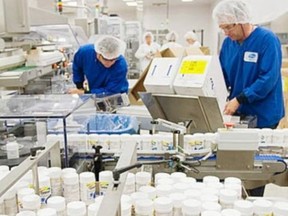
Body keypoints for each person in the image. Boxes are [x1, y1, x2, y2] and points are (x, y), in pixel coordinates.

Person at [213, 0, 284, 196]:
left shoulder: (267, 40)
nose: (226, 33)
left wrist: (240, 99)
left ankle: (254, 200)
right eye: (222, 29)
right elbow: (222, 75)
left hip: (264, 113)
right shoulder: (228, 44)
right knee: (238, 158)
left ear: (241, 21)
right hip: (241, 113)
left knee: (255, 165)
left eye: (228, 27)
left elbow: (268, 78)